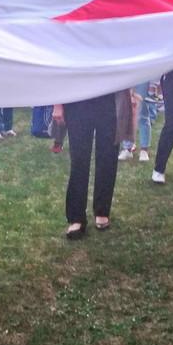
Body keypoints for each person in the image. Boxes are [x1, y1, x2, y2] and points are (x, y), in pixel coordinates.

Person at [54, 91, 130, 238]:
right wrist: (57, 104)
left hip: (109, 99)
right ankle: (76, 218)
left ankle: (102, 210)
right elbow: (60, 69)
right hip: (77, 100)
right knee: (79, 160)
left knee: (108, 157)